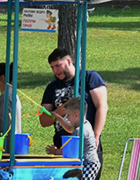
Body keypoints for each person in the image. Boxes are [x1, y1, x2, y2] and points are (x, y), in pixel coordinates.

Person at [40, 48, 107, 178]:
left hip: (86, 143)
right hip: (63, 142)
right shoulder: (52, 87)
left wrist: (96, 135)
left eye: (58, 65)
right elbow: (43, 120)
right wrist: (57, 113)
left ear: (69, 61)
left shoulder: (89, 78)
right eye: (52, 67)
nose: (55, 71)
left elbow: (102, 107)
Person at [46, 98, 101, 180]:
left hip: (89, 163)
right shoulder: (85, 124)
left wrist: (56, 151)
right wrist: (58, 118)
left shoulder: (80, 131)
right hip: (88, 162)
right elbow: (69, 128)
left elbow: (71, 150)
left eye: (68, 115)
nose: (67, 118)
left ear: (76, 114)